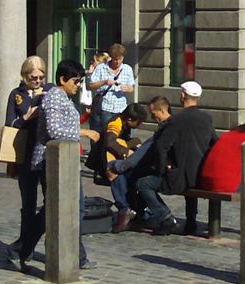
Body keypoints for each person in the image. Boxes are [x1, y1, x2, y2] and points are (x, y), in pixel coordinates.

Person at [18, 59, 100, 272]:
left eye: (80, 81)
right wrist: (85, 132)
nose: (78, 85)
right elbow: (54, 130)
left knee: (71, 208)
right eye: (75, 81)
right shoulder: (54, 97)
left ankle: (74, 255)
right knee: (57, 209)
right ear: (62, 79)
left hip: (67, 160)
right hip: (52, 160)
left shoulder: (63, 97)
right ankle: (22, 248)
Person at [132, 81, 217, 236]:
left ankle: (165, 217)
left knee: (143, 183)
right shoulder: (207, 118)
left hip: (178, 177)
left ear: (182, 95)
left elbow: (161, 147)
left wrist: (162, 168)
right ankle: (191, 221)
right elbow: (215, 144)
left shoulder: (176, 120)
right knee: (188, 181)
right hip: (199, 176)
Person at [4, 56, 47, 269]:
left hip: (46, 155)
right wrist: (26, 118)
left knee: (52, 204)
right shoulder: (16, 95)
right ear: (25, 76)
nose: (37, 80)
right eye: (33, 77)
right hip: (25, 154)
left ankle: (27, 246)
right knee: (28, 203)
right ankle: (25, 247)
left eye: (40, 76)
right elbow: (9, 124)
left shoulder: (49, 91)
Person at [108, 96, 172, 233]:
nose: (153, 118)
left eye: (153, 114)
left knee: (121, 173)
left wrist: (116, 165)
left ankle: (126, 208)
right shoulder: (171, 125)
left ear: (161, 111)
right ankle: (137, 212)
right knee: (132, 175)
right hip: (169, 168)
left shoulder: (164, 130)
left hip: (163, 170)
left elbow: (137, 156)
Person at [87, 43, 136, 179]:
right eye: (115, 59)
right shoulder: (102, 68)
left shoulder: (127, 69)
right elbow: (90, 85)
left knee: (121, 138)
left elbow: (132, 87)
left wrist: (127, 88)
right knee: (105, 139)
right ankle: (102, 168)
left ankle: (118, 165)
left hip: (121, 108)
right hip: (106, 108)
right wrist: (104, 82)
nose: (117, 62)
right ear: (111, 58)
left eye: (120, 59)